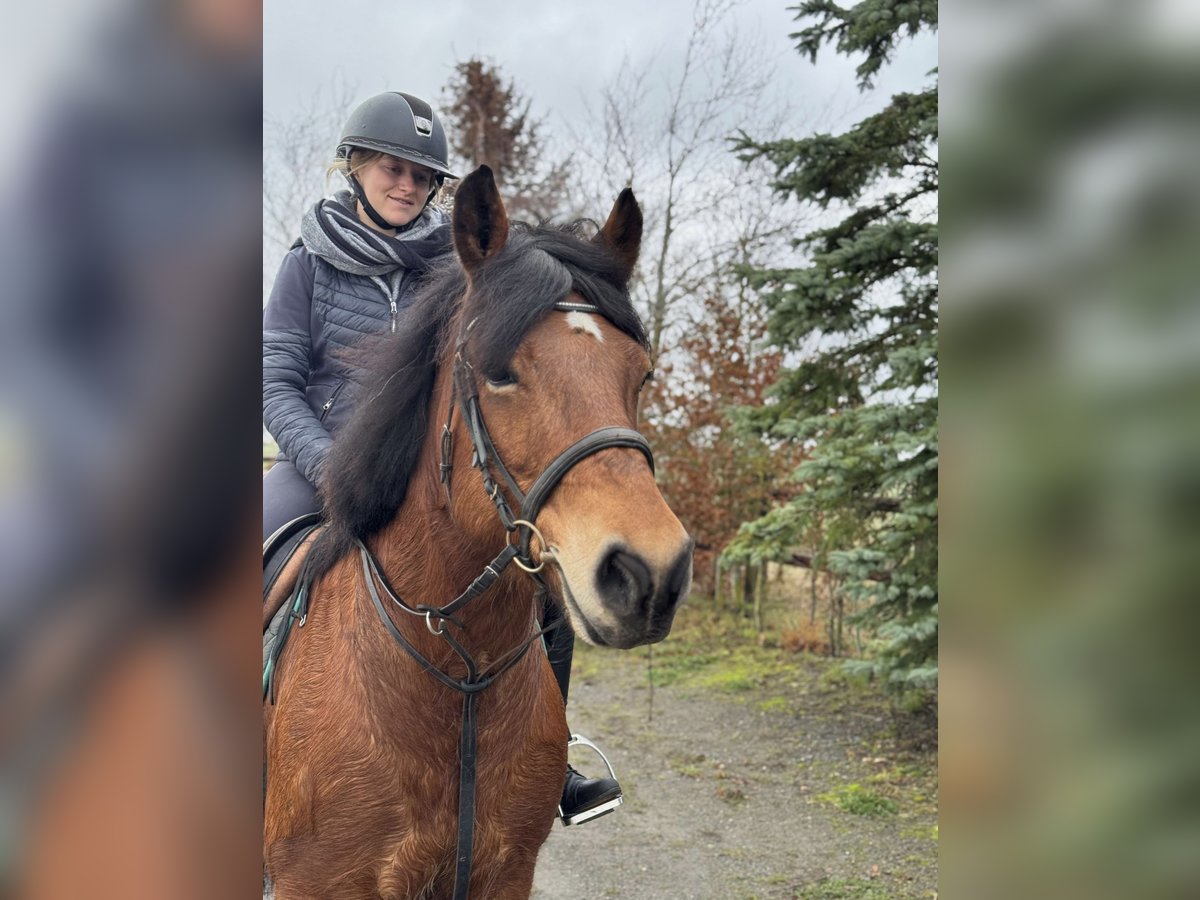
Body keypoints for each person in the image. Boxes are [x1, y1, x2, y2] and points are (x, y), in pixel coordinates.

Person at [262, 90, 622, 826]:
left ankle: (549, 759)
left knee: (539, 582)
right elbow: (274, 379)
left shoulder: (460, 270)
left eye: (423, 176)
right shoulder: (307, 264)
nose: (407, 185)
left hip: (431, 475)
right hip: (319, 466)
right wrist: (329, 465)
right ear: (356, 167)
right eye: (393, 168)